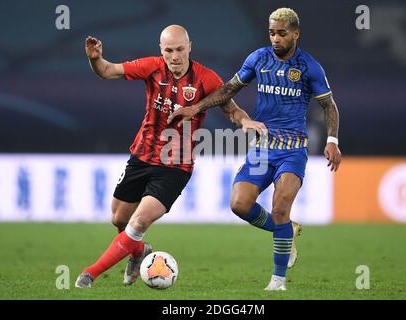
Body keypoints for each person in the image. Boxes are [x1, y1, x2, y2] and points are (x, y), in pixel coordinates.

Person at [75, 25, 264, 288]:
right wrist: (95, 59)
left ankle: (90, 273)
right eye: (168, 50)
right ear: (161, 50)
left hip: (175, 166)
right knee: (119, 219)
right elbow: (108, 71)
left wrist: (245, 121)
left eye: (179, 49)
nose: (174, 56)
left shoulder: (206, 79)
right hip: (141, 156)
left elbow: (231, 109)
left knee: (139, 221)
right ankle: (139, 252)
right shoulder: (152, 67)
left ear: (190, 47)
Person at [167, 8, 342, 291]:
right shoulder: (258, 59)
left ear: (295, 34)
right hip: (262, 148)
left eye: (282, 33)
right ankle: (286, 230)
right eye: (272, 32)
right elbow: (228, 90)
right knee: (239, 204)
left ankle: (277, 281)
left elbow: (328, 105)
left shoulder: (309, 67)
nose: (275, 38)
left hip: (292, 149)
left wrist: (332, 141)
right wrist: (196, 108)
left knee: (280, 207)